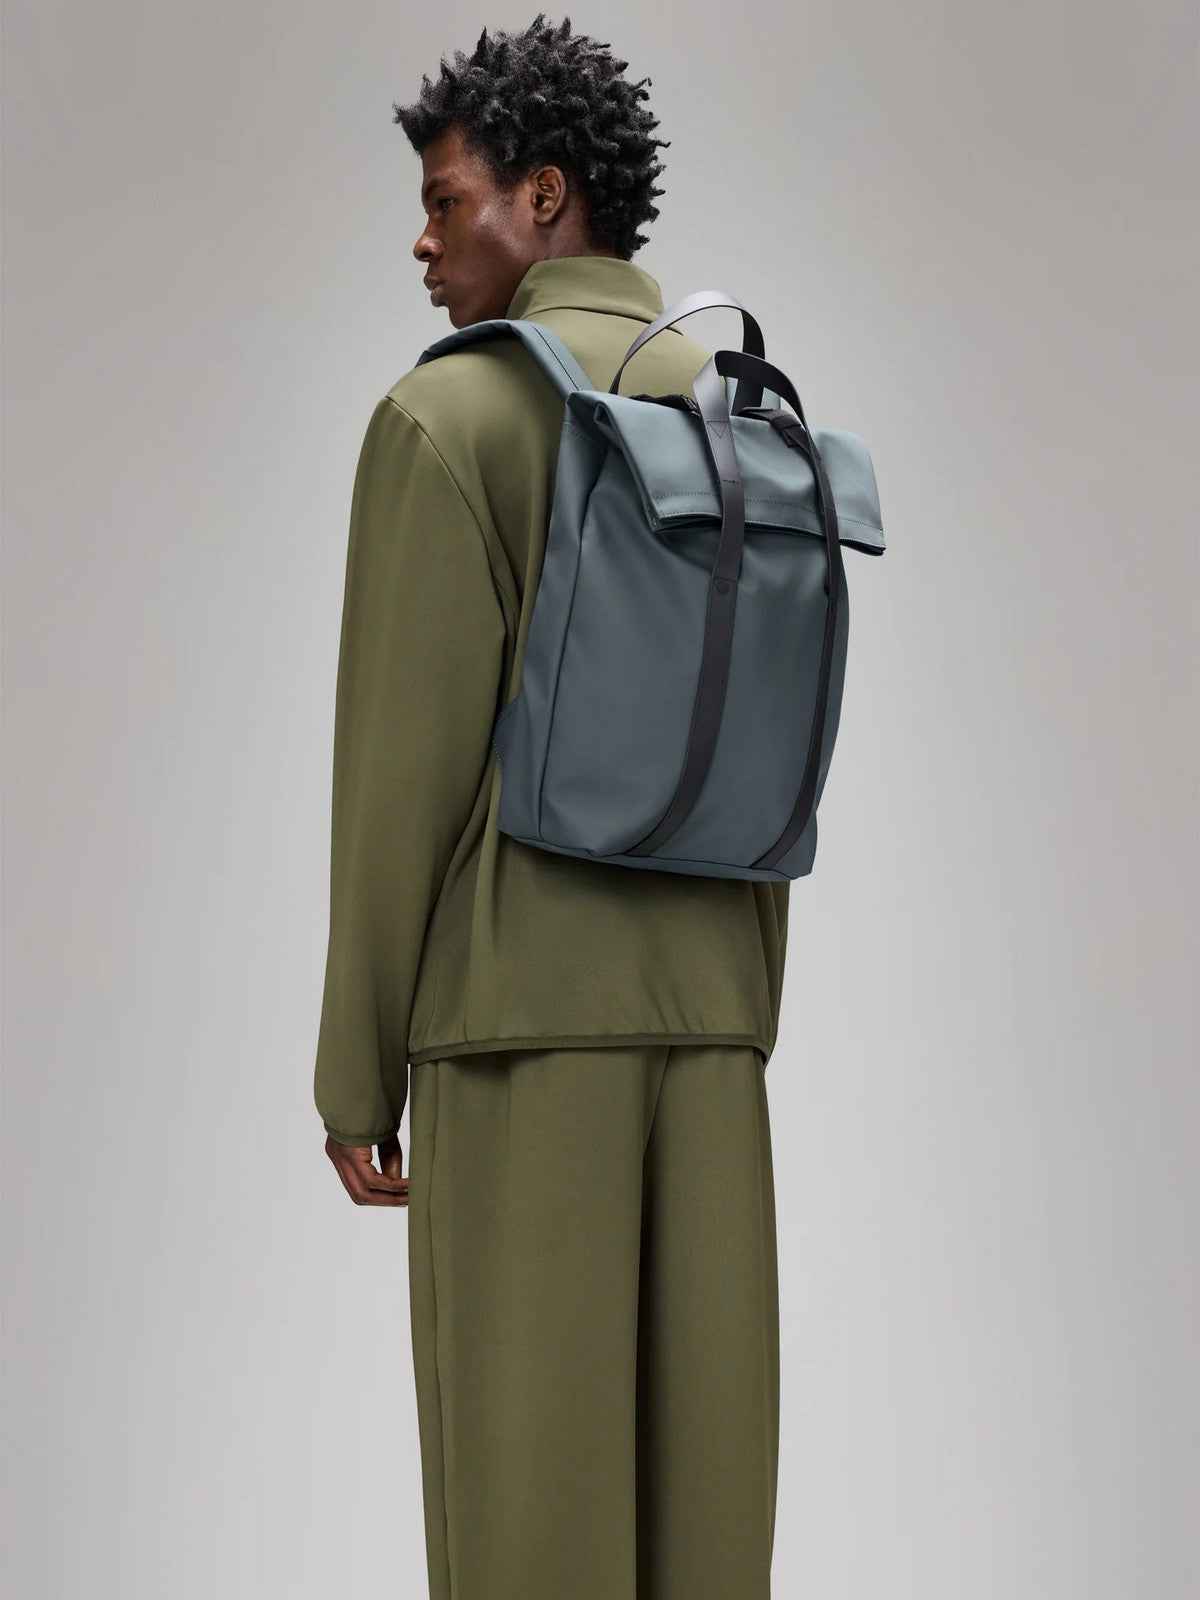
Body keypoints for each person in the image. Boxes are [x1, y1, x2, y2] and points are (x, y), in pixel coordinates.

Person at [313, 15, 788, 1599]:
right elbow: (763, 740)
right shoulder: (744, 415)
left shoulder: (447, 421)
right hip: (713, 1041)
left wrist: (358, 1071)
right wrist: (735, 1013)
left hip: (517, 1041)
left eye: (446, 203)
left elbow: (400, 778)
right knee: (703, 1535)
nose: (426, 242)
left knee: (529, 1531)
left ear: (544, 196)